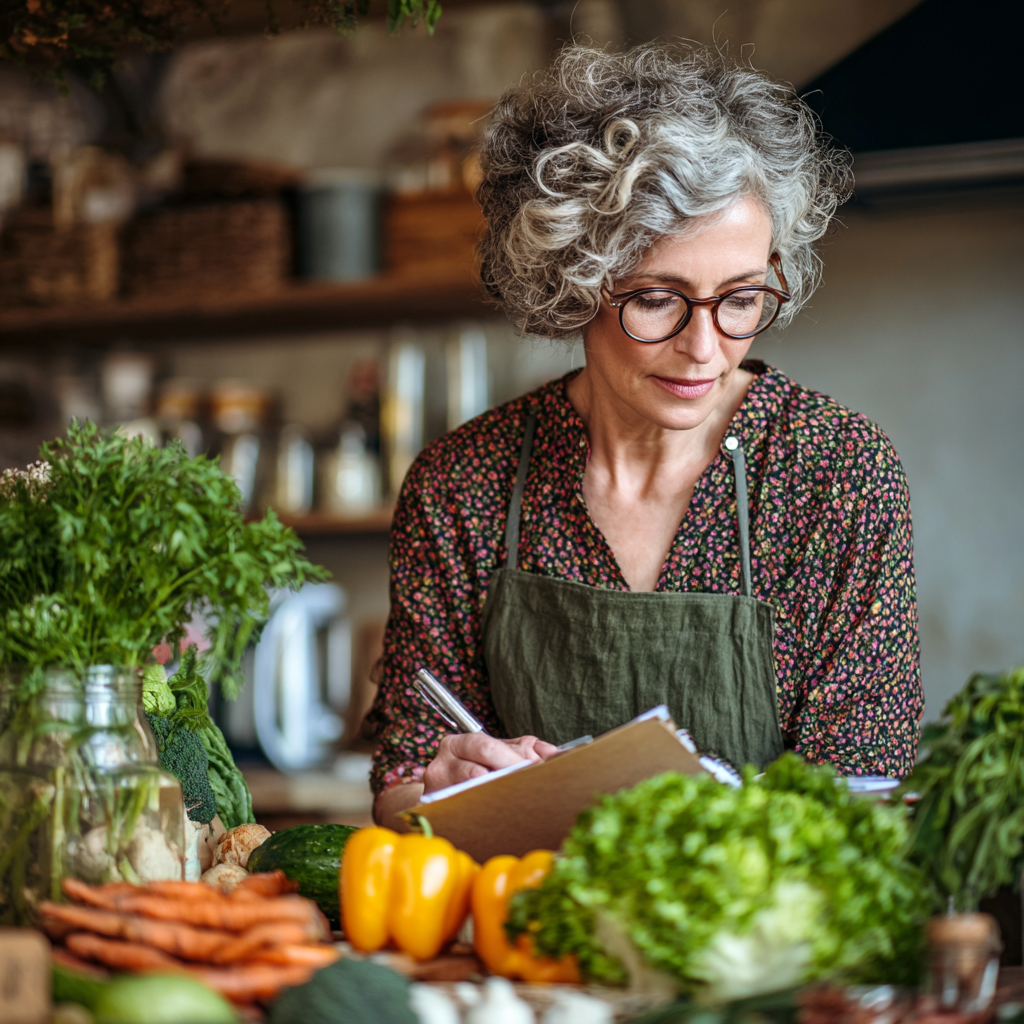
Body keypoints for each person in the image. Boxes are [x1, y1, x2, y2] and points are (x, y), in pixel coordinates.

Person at [368, 43, 923, 827]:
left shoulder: (835, 470)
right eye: (659, 300)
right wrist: (441, 786)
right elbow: (400, 784)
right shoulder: (466, 483)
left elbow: (866, 795)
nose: (705, 348)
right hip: (529, 934)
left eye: (740, 297)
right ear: (572, 284)